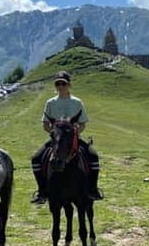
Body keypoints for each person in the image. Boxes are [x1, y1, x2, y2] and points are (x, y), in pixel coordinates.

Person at [31, 70, 102, 204]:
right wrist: (54, 133)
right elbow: (45, 124)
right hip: (56, 140)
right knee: (36, 158)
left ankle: (92, 189)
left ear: (69, 85)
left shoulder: (77, 102)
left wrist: (75, 132)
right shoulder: (50, 103)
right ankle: (42, 191)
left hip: (74, 139)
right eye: (58, 84)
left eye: (63, 84)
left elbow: (82, 123)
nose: (60, 87)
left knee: (93, 155)